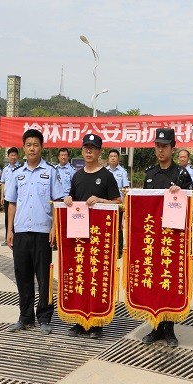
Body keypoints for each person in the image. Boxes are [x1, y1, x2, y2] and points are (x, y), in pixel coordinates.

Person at [5, 129, 64, 335]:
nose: (32, 148)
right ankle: (25, 317)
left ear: (42, 147)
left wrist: (55, 228)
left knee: (44, 277)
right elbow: (11, 203)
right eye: (28, 145)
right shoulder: (17, 173)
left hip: (42, 232)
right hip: (21, 231)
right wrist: (9, 230)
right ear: (23, 148)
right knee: (23, 276)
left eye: (36, 145)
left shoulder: (50, 172)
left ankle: (45, 317)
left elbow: (57, 203)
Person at [63, 133, 122, 338]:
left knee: (96, 279)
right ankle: (79, 320)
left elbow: (118, 203)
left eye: (93, 148)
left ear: (99, 151)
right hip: (78, 236)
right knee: (80, 277)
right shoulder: (77, 176)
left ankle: (97, 322)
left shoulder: (107, 176)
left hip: (98, 239)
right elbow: (72, 200)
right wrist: (68, 199)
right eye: (85, 147)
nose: (88, 151)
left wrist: (101, 201)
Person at [141, 128, 193, 348]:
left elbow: (191, 205)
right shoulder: (150, 174)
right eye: (158, 146)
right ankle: (155, 327)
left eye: (165, 146)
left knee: (170, 283)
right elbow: (144, 205)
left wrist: (180, 193)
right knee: (154, 281)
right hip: (154, 239)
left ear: (173, 148)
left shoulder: (182, 175)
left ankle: (170, 328)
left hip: (174, 239)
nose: (160, 150)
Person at [106, 149, 130, 257]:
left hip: (118, 204)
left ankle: (119, 251)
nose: (113, 158)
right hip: (106, 205)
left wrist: (124, 205)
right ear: (108, 158)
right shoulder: (105, 171)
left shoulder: (122, 172)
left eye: (115, 156)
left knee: (118, 228)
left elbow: (125, 189)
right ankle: (108, 248)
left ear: (118, 159)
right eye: (111, 156)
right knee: (107, 227)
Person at [0, 147, 21, 246]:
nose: (13, 157)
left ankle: (17, 238)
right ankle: (7, 238)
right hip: (7, 198)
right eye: (11, 155)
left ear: (17, 156)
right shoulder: (5, 169)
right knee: (8, 218)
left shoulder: (21, 168)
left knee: (17, 219)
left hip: (17, 199)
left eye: (14, 155)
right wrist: (2, 196)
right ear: (8, 157)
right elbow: (3, 183)